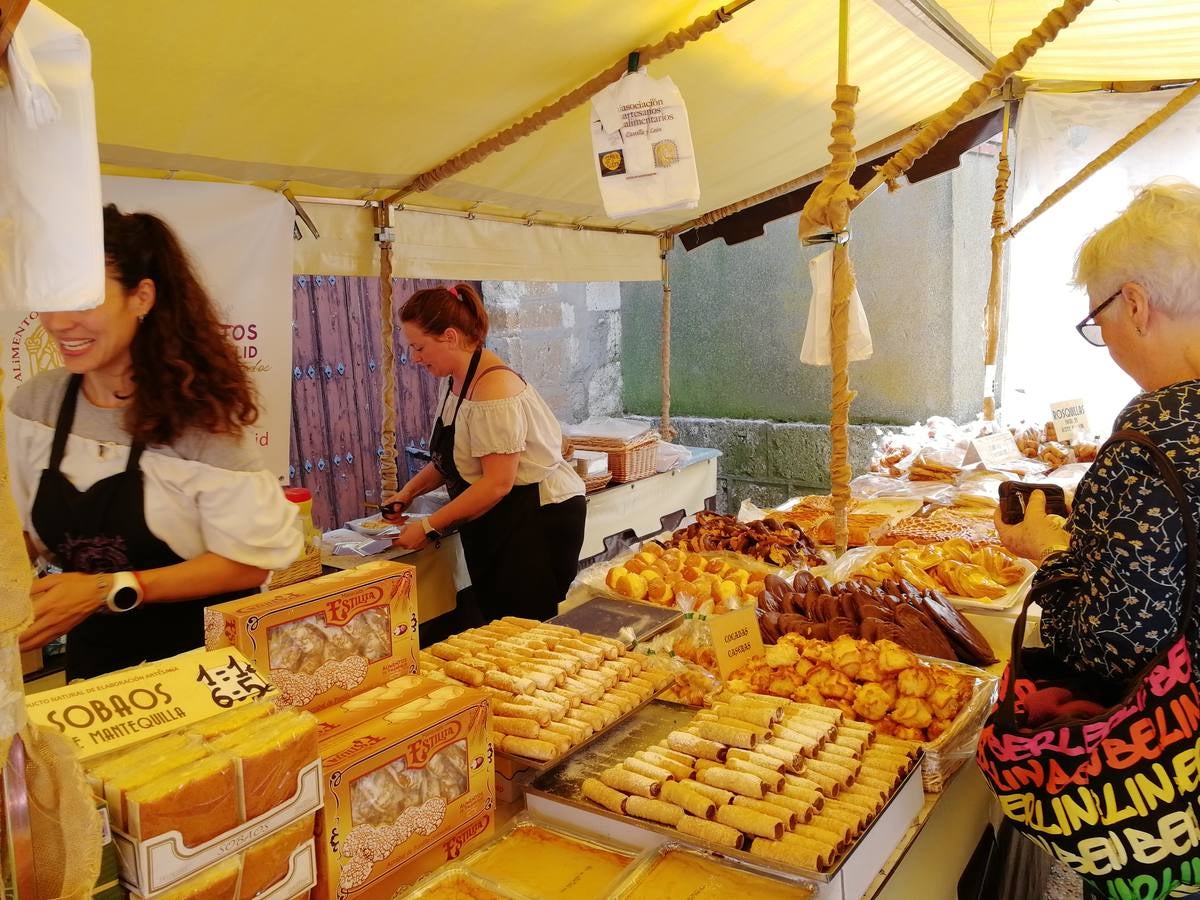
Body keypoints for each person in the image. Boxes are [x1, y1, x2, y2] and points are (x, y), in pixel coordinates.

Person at [10, 205, 302, 679]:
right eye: (48, 299)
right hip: (96, 664)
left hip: (202, 663)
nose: (58, 322)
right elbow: (31, 535)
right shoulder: (35, 405)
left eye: (82, 300)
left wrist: (111, 587)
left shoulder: (199, 422)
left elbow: (249, 563)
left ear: (141, 297)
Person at [996, 182, 1200, 682]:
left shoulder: (1156, 431)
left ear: (1134, 305)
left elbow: (1110, 646)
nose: (1103, 338)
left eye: (1097, 319)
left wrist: (1047, 548)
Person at [383, 283, 586, 623]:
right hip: (498, 518)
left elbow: (496, 484)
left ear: (449, 336)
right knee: (498, 619)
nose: (415, 358)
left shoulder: (494, 389)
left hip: (537, 519)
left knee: (527, 628)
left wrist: (429, 526)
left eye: (419, 347)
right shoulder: (454, 381)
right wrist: (408, 493)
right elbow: (451, 460)